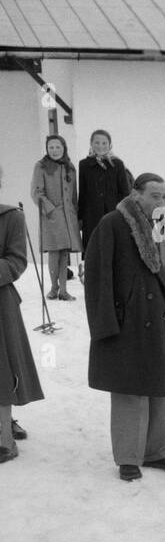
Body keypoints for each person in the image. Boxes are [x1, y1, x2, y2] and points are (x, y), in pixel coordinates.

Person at [84, 173, 165, 482]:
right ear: (136, 194)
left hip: (161, 322)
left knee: (160, 386)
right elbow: (98, 275)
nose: (161, 202)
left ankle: (158, 451)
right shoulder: (113, 224)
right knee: (129, 389)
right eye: (155, 195)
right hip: (128, 322)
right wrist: (107, 322)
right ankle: (128, 457)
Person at [0, 165, 45, 463]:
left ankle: (3, 437)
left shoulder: (10, 217)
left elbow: (17, 261)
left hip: (1, 304)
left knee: (2, 370)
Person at [30, 135, 80, 302]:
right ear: (47, 148)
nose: (54, 150)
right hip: (51, 216)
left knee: (65, 252)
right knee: (54, 252)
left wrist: (76, 215)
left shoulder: (70, 167)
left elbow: (74, 195)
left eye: (57, 147)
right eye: (51, 147)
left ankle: (64, 290)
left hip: (68, 216)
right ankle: (53, 287)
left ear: (63, 148)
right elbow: (37, 192)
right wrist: (50, 209)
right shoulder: (41, 166)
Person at [78, 129, 133, 272]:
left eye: (104, 143)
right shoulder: (84, 165)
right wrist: (79, 217)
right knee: (93, 248)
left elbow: (125, 192)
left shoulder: (118, 164)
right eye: (96, 142)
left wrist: (125, 214)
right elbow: (83, 192)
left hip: (114, 213)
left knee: (114, 247)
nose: (100, 146)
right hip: (91, 215)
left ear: (110, 145)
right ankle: (93, 280)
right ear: (91, 144)